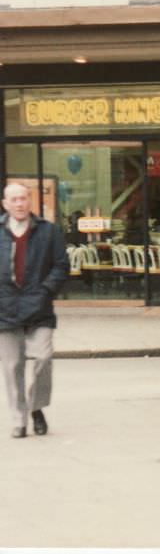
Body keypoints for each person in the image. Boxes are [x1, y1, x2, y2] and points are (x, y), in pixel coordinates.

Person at [0, 183, 68, 438]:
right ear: (5, 204)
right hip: (5, 308)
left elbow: (61, 266)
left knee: (43, 358)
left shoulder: (48, 231)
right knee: (12, 366)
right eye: (14, 199)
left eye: (23, 198)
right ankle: (19, 420)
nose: (19, 203)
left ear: (30, 201)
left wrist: (45, 291)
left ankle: (36, 407)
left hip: (39, 307)